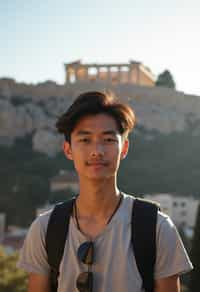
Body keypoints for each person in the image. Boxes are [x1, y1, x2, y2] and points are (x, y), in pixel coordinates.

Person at [17, 91, 193, 292]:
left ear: (124, 148)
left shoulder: (157, 228)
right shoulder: (45, 229)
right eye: (85, 140)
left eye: (108, 140)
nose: (97, 151)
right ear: (68, 150)